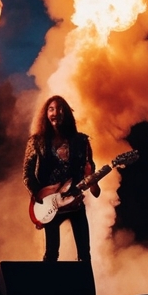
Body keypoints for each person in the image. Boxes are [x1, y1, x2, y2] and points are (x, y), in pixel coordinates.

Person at [23, 95, 96, 264]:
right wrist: (41, 194)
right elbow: (27, 174)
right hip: (50, 204)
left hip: (75, 202)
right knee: (51, 254)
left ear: (67, 113)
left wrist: (91, 178)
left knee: (85, 254)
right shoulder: (37, 141)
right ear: (46, 114)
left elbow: (89, 167)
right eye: (51, 109)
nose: (56, 112)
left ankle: (85, 290)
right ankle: (47, 289)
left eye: (60, 109)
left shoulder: (81, 141)